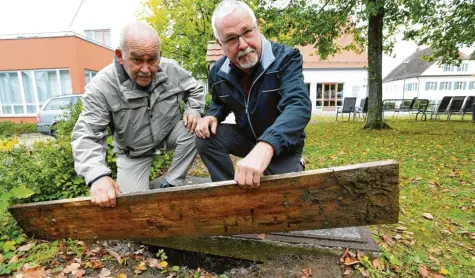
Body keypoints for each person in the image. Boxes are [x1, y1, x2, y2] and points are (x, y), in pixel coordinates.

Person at [72, 22, 205, 207]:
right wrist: (97, 176)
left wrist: (194, 109)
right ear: (120, 56)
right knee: (133, 207)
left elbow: (196, 89)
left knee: (199, 127)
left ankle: (171, 183)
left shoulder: (171, 69)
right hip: (133, 152)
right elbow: (87, 134)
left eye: (152, 60)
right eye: (137, 60)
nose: (145, 69)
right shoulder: (101, 87)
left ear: (159, 54)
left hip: (168, 134)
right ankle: (146, 188)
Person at [195, 0, 311, 189]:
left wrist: (266, 146)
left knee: (280, 202)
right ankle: (227, 192)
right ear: (220, 44)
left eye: (247, 32)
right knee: (205, 137)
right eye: (231, 38)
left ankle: (292, 165)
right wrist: (212, 116)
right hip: (247, 138)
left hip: (283, 147)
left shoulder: (286, 58)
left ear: (257, 28)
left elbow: (298, 105)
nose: (242, 45)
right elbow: (220, 102)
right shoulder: (217, 73)